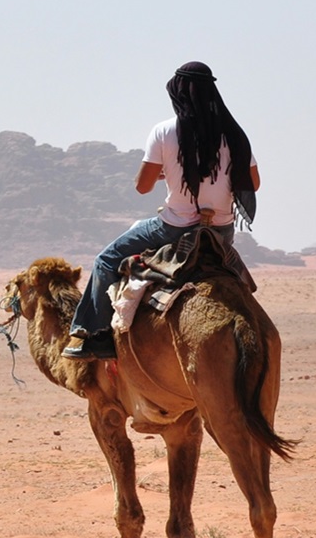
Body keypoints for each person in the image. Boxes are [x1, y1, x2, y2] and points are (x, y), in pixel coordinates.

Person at [64, 61, 260, 359]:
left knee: (105, 260)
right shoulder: (234, 133)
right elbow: (253, 184)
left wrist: (167, 171)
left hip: (174, 228)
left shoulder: (165, 131)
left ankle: (96, 334)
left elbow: (142, 186)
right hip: (220, 232)